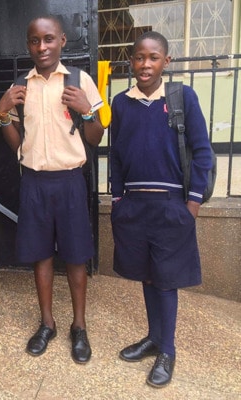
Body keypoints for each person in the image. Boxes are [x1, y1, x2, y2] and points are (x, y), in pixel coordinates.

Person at [0, 16, 104, 363]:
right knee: (41, 255)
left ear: (62, 41)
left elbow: (96, 138)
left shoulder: (79, 80)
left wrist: (87, 113)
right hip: (34, 182)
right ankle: (47, 323)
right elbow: (16, 143)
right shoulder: (20, 86)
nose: (41, 47)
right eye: (34, 41)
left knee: (75, 256)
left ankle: (79, 327)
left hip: (70, 181)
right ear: (28, 45)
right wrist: (2, 113)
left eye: (48, 40)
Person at [110, 31, 212, 387]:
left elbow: (203, 152)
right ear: (131, 61)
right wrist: (117, 199)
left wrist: (193, 203)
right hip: (134, 206)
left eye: (153, 58)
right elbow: (117, 157)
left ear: (165, 61)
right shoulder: (121, 103)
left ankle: (167, 350)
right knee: (147, 274)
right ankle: (154, 338)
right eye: (139, 58)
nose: (145, 64)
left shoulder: (182, 98)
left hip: (172, 206)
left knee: (166, 280)